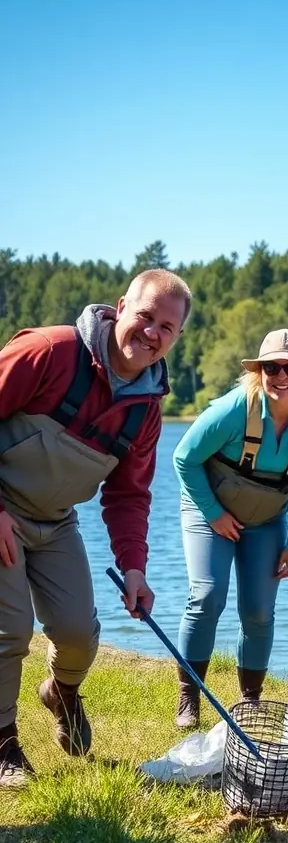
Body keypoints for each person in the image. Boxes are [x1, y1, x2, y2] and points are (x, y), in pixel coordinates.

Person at [0, 269, 190, 787]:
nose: (152, 333)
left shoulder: (147, 409)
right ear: (121, 305)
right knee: (9, 630)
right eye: (146, 316)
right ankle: (4, 746)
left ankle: (61, 693)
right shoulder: (50, 351)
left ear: (177, 337)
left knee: (80, 635)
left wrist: (134, 569)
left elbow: (128, 495)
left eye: (166, 328)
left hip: (56, 524)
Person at [172, 329, 288, 728]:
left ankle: (250, 702)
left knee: (259, 611)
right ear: (259, 371)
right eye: (271, 367)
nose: (281, 375)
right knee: (207, 596)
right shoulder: (232, 410)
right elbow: (184, 459)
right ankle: (189, 697)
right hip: (209, 514)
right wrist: (213, 513)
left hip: (267, 522)